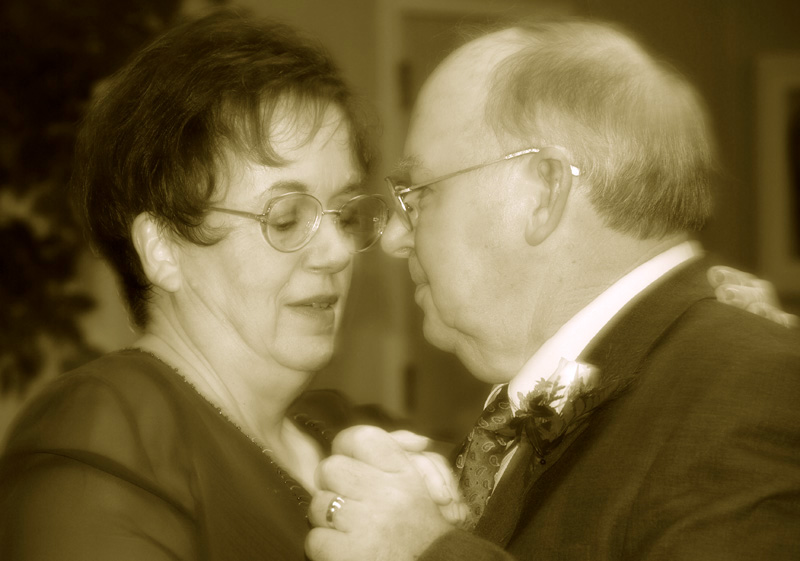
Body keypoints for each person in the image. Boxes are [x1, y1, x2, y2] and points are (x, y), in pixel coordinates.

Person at [305, 18, 800, 561]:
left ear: (543, 191)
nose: (396, 239)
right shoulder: (598, 392)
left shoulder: (754, 391)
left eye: (419, 193)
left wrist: (427, 550)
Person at [0, 9, 467, 560]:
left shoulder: (355, 439)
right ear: (163, 248)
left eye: (343, 214)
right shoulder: (100, 437)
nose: (338, 252)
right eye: (286, 218)